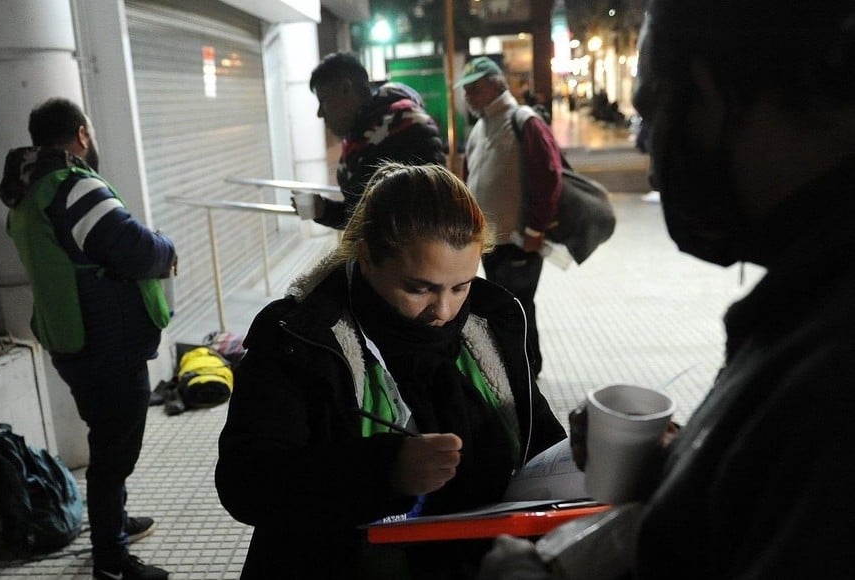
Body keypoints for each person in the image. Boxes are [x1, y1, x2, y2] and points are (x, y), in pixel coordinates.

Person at [479, 0, 855, 578]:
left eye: (649, 111)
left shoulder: (831, 374)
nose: (646, 150)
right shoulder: (808, 300)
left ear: (708, 94)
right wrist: (678, 463)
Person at [215, 162, 567, 579]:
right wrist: (382, 471)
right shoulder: (299, 338)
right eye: (419, 288)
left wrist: (585, 456)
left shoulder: (492, 325)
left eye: (461, 286)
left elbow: (540, 443)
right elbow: (246, 482)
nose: (443, 310)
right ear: (367, 257)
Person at [0, 98, 175, 580]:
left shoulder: (28, 192)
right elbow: (136, 251)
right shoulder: (74, 187)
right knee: (114, 454)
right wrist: (168, 248)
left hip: (73, 339)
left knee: (107, 441)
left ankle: (113, 524)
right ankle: (112, 560)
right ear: (80, 134)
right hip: (107, 342)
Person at [456, 56, 563, 379]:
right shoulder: (480, 127)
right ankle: (520, 367)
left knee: (516, 308)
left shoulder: (523, 120)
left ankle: (526, 371)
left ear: (497, 85)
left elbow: (549, 175)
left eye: (476, 89)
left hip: (519, 239)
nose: (469, 96)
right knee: (507, 307)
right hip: (492, 240)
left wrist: (535, 229)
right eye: (467, 90)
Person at [301, 52, 446, 229]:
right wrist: (323, 210)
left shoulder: (408, 127)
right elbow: (363, 217)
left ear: (346, 89)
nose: (320, 113)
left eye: (323, 101)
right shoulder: (357, 143)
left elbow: (431, 214)